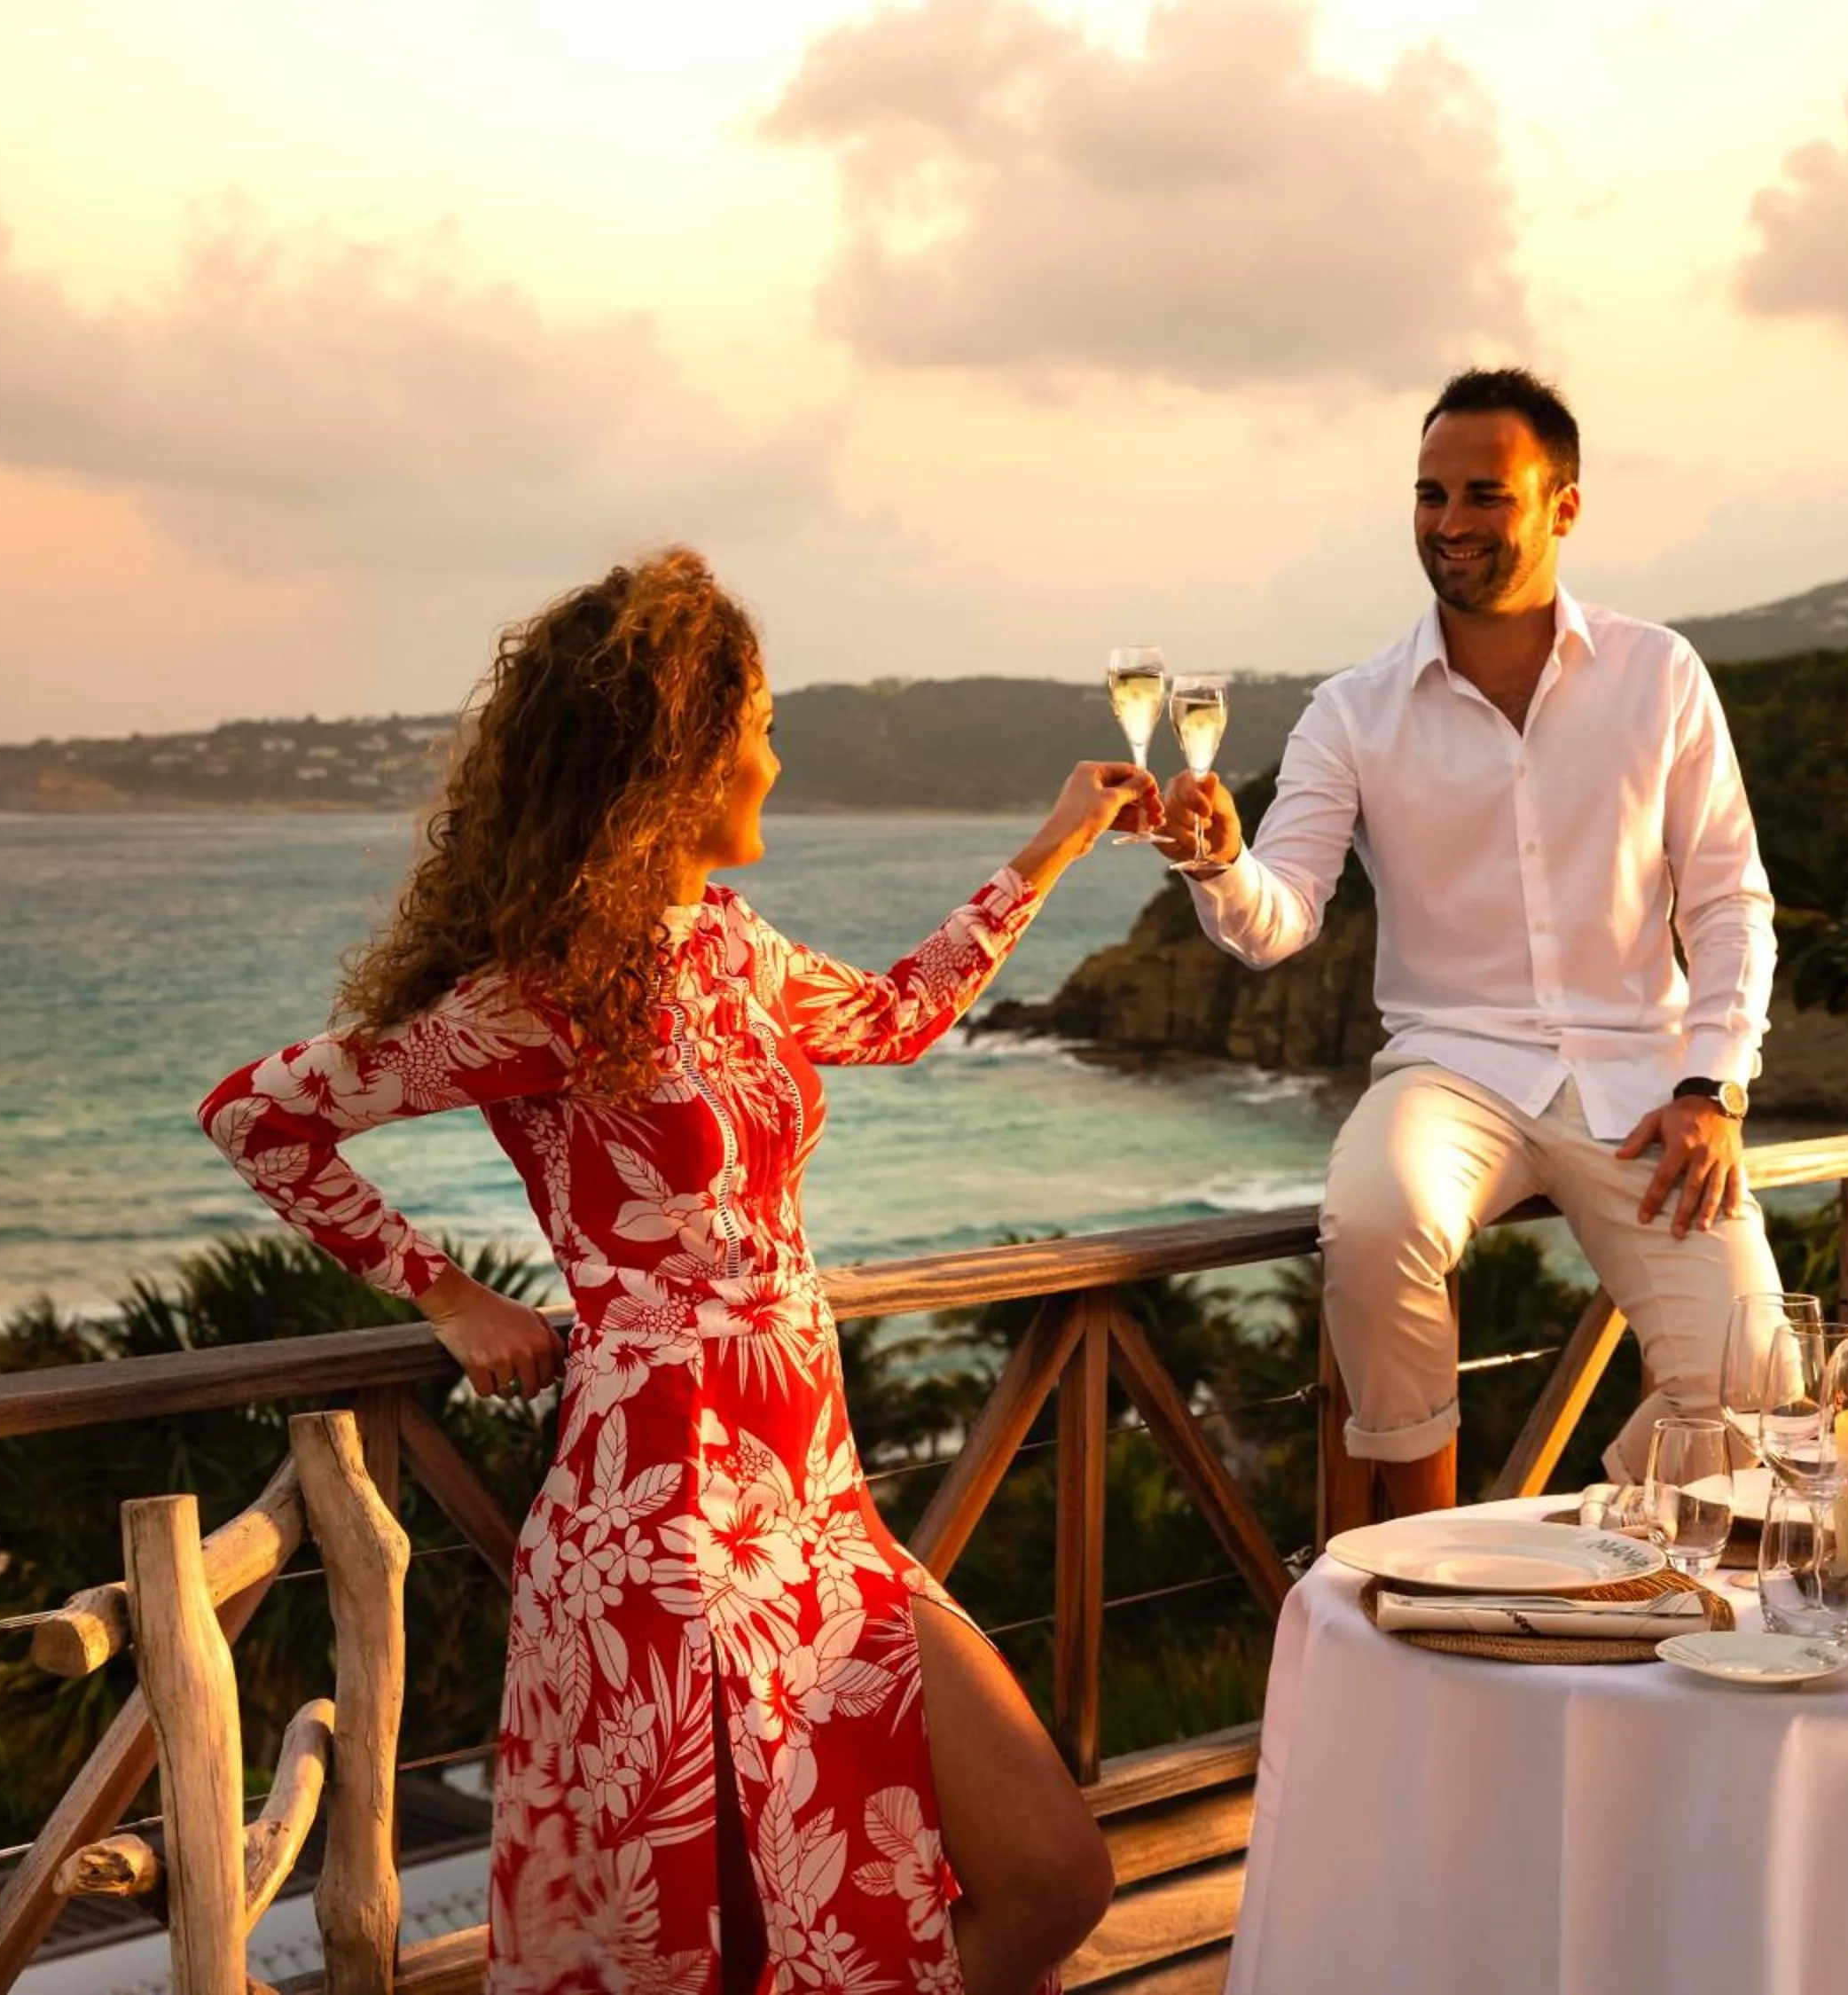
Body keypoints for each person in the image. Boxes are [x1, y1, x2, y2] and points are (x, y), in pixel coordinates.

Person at [201, 551, 1144, 1995]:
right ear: (683, 755)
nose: (778, 751)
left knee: (1053, 1872)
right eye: (759, 721)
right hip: (664, 1539)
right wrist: (448, 1293)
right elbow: (259, 1113)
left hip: (816, 1509)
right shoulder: (544, 994)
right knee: (715, 1949)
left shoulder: (728, 944)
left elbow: (892, 1015)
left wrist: (1056, 843)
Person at [1155, 367, 1784, 1519]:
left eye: (1485, 494)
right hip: (1453, 1067)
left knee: (1751, 1368)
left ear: (1564, 506)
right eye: (1429, 494)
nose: (1449, 523)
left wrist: (1714, 1084)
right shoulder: (1352, 709)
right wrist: (1215, 862)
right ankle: (1427, 1544)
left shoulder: (1661, 676)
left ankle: (1634, 1564)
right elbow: (1280, 913)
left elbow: (1729, 899)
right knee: (1377, 1213)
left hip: (1648, 1080)